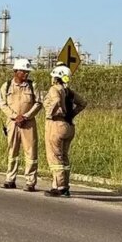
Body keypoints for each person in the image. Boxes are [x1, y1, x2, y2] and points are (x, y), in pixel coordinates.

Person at [42, 65, 87, 197]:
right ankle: (64, 185)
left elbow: (55, 100)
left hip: (56, 125)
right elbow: (83, 103)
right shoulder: (69, 92)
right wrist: (72, 114)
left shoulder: (54, 89)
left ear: (56, 77)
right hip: (69, 126)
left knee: (55, 157)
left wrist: (49, 114)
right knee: (64, 157)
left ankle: (59, 187)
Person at [0, 58, 42, 191]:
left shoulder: (32, 86)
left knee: (30, 152)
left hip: (28, 123)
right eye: (23, 71)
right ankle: (10, 179)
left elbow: (38, 103)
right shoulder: (6, 86)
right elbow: (3, 104)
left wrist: (26, 116)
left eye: (27, 72)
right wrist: (14, 116)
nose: (26, 74)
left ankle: (30, 182)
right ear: (16, 71)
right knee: (12, 150)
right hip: (13, 123)